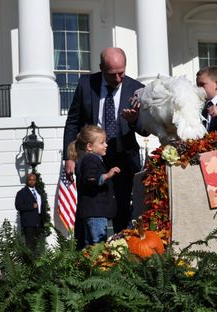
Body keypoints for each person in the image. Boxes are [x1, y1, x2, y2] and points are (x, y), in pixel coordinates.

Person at [63, 47, 148, 236]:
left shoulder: (136, 89)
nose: (118, 79)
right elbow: (73, 121)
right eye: (112, 74)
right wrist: (69, 157)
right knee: (89, 209)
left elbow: (145, 129)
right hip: (91, 159)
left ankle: (123, 253)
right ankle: (86, 255)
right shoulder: (86, 84)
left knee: (123, 209)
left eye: (121, 73)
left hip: (123, 158)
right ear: (101, 68)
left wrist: (134, 121)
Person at [68, 125, 120, 247]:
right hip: (96, 212)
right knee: (97, 246)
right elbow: (90, 179)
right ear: (90, 146)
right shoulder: (91, 159)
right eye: (102, 142)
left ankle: (89, 265)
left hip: (93, 212)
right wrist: (106, 176)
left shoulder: (89, 159)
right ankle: (96, 266)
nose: (106, 145)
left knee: (90, 246)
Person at [15, 173, 48, 254]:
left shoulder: (39, 192)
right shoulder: (21, 193)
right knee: (29, 244)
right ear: (27, 181)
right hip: (28, 222)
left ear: (35, 181)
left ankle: (36, 262)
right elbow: (18, 206)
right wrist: (31, 206)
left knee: (37, 243)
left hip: (39, 222)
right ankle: (29, 264)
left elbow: (42, 207)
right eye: (30, 180)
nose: (32, 182)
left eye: (33, 180)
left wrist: (44, 220)